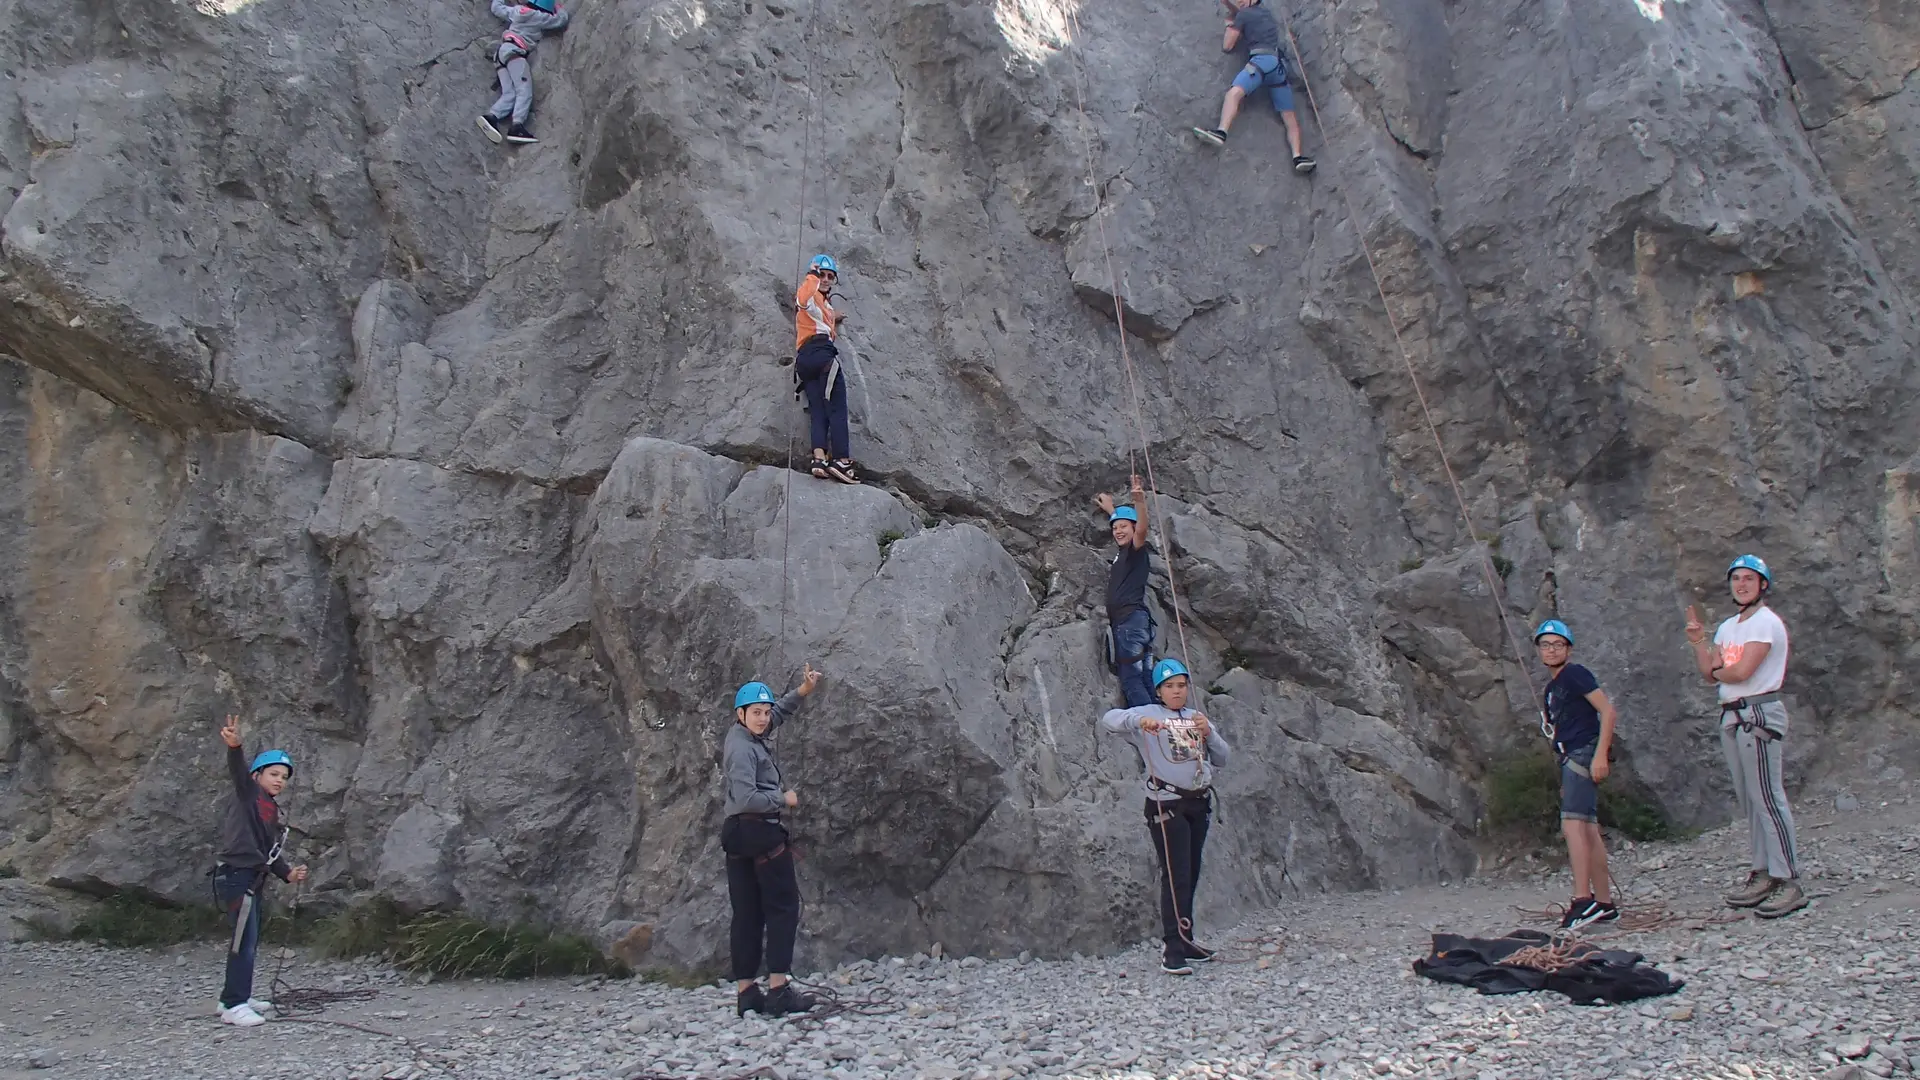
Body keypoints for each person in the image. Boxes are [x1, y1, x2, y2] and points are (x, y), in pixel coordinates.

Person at [1686, 555, 1805, 919]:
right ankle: (1764, 870)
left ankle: (1789, 879)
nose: (1741, 584)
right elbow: (1712, 673)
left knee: (1768, 796)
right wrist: (1699, 643)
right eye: (1736, 579)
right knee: (1750, 799)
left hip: (1758, 712)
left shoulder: (1766, 624)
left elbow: (1741, 671)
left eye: (1749, 579)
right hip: (1733, 714)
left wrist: (1722, 666)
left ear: (1763, 584)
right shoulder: (1726, 628)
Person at [1100, 658, 1231, 976]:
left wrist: (1209, 732)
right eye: (1170, 686)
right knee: (1176, 875)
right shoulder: (1149, 714)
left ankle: (1186, 939)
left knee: (1192, 871)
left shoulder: (1195, 718)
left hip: (1197, 803)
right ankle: (1172, 947)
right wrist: (1138, 721)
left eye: (1181, 685)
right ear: (1159, 690)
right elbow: (1109, 719)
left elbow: (1223, 757)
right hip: (1166, 803)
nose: (1177, 691)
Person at [723, 664, 823, 1016]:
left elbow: (778, 712)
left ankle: (747, 993)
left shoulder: (747, 732)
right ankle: (778, 990)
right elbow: (748, 797)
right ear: (741, 714)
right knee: (782, 908)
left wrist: (803, 690)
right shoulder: (741, 750)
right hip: (759, 830)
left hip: (738, 836)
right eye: (757, 713)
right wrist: (785, 799)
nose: (764, 718)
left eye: (765, 712)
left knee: (747, 913)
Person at [213, 715, 310, 1028]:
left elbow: (269, 852)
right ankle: (233, 1004)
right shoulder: (249, 794)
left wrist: (288, 873)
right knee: (243, 942)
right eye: (273, 773)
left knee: (249, 941)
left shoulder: (269, 809)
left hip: (251, 879)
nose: (280, 780)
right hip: (237, 876)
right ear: (257, 775)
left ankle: (239, 995)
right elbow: (238, 771)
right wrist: (235, 746)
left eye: (284, 776)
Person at [1533, 620, 1619, 930]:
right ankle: (1605, 904)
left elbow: (1607, 711)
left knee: (1572, 826)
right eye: (1546, 645)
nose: (1552, 649)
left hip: (1583, 752)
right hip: (1572, 755)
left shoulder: (1575, 674)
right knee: (1589, 828)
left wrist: (1599, 756)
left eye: (1557, 644)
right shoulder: (1553, 688)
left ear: (1568, 649)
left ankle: (1583, 900)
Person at [1191, 0, 1315, 173]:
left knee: (1233, 95)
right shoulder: (1265, 14)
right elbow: (1243, 12)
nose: (1240, 1)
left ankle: (1221, 132)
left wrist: (1229, 25)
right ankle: (1298, 156)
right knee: (1289, 116)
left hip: (1260, 63)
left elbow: (1228, 46)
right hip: (1277, 67)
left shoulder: (1244, 15)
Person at [794, 255, 859, 485]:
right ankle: (841, 460)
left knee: (818, 410)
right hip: (821, 354)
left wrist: (835, 317)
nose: (827, 279)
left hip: (805, 359)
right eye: (823, 274)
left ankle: (819, 459)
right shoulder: (809, 292)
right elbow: (802, 300)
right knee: (838, 406)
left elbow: (823, 316)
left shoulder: (822, 304)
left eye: (831, 276)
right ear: (814, 274)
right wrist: (812, 275)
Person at [1095, 476, 1156, 707]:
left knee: (1131, 679)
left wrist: (1139, 502)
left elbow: (1141, 530)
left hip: (1129, 623)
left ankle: (1150, 725)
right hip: (1137, 622)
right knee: (1146, 678)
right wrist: (1112, 510)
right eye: (1115, 527)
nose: (1118, 531)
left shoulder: (1135, 549)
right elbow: (1126, 526)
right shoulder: (1124, 552)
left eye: (1123, 527)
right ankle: (1162, 721)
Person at [477, 0, 570, 145]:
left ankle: (491, 117)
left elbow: (496, 8)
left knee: (510, 92)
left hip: (501, 53)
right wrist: (558, 7)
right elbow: (561, 20)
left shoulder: (517, 11)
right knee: (524, 90)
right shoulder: (539, 16)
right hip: (515, 55)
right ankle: (517, 126)